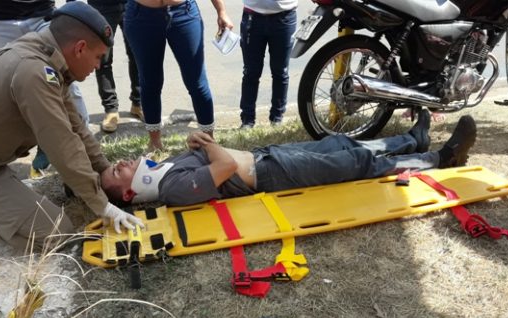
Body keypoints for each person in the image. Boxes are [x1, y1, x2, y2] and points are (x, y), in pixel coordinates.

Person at [0, 1, 143, 252]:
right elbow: (63, 146)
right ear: (79, 48)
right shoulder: (35, 73)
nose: (98, 66)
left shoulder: (45, 57)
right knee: (56, 233)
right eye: (98, 57)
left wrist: (103, 168)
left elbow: (76, 126)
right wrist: (103, 206)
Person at [100, 111, 477, 207]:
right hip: (273, 174)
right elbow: (225, 166)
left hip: (269, 157)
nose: (119, 165)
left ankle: (411, 139)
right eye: (115, 174)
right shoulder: (172, 190)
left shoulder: (166, 170)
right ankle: (440, 158)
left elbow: (212, 155)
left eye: (115, 165)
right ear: (130, 194)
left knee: (340, 143)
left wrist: (200, 143)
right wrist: (206, 143)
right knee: (355, 163)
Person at [0, 0, 90, 178]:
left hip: (42, 14)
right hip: (0, 18)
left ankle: (85, 153)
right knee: (16, 89)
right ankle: (43, 145)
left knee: (66, 81)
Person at [123, 0, 233, 152]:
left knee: (197, 82)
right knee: (150, 82)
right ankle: (154, 143)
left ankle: (209, 141)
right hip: (141, 15)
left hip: (184, 12)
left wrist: (221, 11)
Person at [68, 0, 143, 133]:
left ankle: (138, 103)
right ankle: (111, 109)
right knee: (103, 60)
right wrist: (71, 8)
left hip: (131, 4)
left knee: (137, 56)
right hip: (101, 7)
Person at [239, 0, 298, 129]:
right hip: (252, 16)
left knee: (280, 71)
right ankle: (247, 120)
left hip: (284, 16)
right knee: (251, 72)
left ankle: (277, 117)